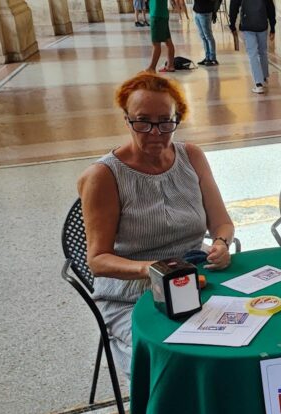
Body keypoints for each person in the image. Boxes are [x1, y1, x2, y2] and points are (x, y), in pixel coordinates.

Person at [77, 72, 235, 377]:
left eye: (165, 122)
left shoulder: (192, 156)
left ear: (178, 118)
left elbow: (222, 223)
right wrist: (153, 269)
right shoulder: (104, 176)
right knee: (172, 364)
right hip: (130, 296)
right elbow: (97, 260)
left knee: (240, 339)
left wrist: (221, 244)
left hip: (196, 279)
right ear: (126, 120)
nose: (155, 133)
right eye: (142, 122)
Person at [229, 0, 276, 94]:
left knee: (252, 54)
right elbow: (270, 8)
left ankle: (258, 84)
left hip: (247, 25)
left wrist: (232, 25)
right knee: (263, 52)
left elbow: (233, 7)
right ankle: (264, 77)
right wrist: (272, 27)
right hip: (262, 24)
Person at [146, 0, 176, 73]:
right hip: (163, 14)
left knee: (156, 43)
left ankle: (152, 68)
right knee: (168, 41)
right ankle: (170, 65)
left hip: (157, 14)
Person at [193, 0, 219, 66]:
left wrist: (214, 11)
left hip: (205, 12)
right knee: (203, 37)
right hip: (197, 12)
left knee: (208, 36)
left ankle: (212, 59)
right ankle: (207, 58)